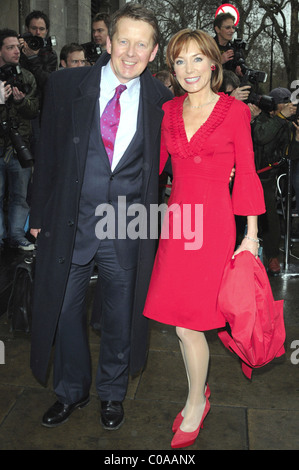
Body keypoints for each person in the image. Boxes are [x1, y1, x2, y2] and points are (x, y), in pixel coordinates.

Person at [29, 3, 173, 431]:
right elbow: (47, 153)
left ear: (154, 51)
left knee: (120, 314)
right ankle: (71, 390)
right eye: (123, 40)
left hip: (128, 226)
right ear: (108, 39)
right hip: (71, 221)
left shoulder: (161, 100)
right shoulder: (65, 83)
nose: (130, 52)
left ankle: (112, 394)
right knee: (65, 311)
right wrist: (38, 213)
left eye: (141, 44)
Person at [143, 29, 265, 449]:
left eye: (197, 60)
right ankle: (199, 393)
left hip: (213, 225)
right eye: (180, 61)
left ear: (214, 63)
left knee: (189, 323)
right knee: (182, 322)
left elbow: (246, 173)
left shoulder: (234, 112)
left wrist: (250, 236)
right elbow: (151, 166)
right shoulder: (167, 109)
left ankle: (196, 400)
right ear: (171, 68)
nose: (189, 70)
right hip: (178, 224)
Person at [251, 87, 298, 275]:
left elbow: (290, 155)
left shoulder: (285, 123)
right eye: (284, 103)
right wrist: (281, 118)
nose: (288, 107)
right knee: (241, 219)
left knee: (271, 219)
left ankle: (272, 256)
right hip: (250, 176)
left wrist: (297, 139)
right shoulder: (259, 119)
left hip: (269, 179)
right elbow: (261, 137)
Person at [0, 29, 39, 250]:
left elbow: (34, 110)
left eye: (18, 47)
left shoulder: (26, 76)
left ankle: (16, 235)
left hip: (19, 146)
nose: (17, 51)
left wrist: (21, 101)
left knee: (20, 196)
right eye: (10, 47)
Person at [19, 10, 57, 106]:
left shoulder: (50, 54)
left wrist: (33, 58)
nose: (38, 33)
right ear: (27, 29)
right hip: (20, 103)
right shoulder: (18, 49)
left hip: (41, 104)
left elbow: (47, 82)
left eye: (41, 29)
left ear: (46, 31)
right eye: (34, 28)